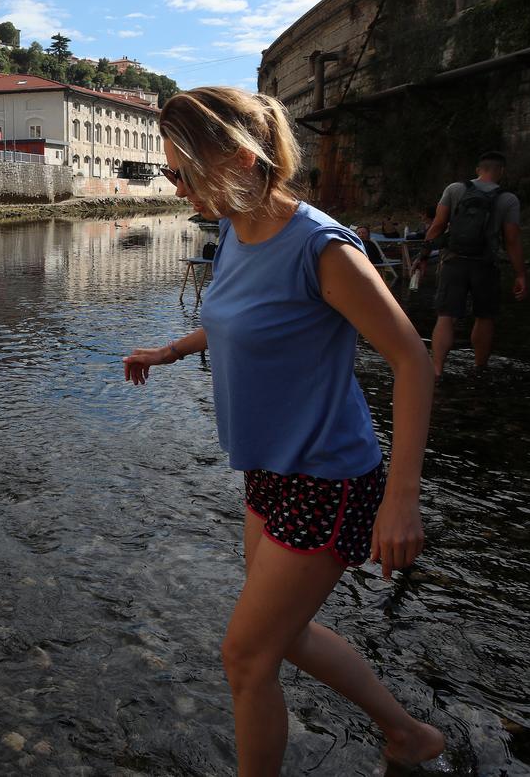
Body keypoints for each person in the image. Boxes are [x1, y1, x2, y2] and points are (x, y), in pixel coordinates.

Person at [122, 87, 443, 774]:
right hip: (268, 467)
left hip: (329, 476)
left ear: (240, 158)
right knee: (283, 637)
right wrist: (171, 349)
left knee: (244, 655)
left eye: (182, 173)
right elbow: (243, 317)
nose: (176, 189)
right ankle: (409, 734)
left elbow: (412, 358)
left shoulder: (323, 248)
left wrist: (403, 499)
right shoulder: (235, 229)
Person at [423, 151, 526, 377]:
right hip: (486, 265)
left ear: (478, 169)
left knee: (446, 315)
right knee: (485, 316)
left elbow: (438, 225)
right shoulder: (508, 200)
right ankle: (479, 367)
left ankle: (437, 369)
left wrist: (422, 257)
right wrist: (520, 274)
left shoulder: (455, 189)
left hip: (453, 261)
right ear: (502, 171)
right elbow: (511, 240)